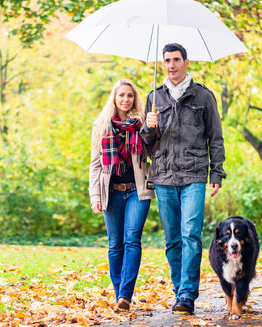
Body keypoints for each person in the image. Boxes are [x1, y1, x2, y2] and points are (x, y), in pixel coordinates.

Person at [140, 43, 226, 315]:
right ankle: (179, 291)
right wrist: (148, 127)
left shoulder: (203, 97)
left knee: (191, 234)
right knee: (173, 239)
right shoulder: (154, 97)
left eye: (176, 59)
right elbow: (147, 145)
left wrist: (217, 172)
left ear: (186, 62)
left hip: (194, 174)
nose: (171, 65)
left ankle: (187, 294)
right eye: (166, 60)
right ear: (163, 63)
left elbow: (216, 137)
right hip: (164, 175)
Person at [89, 78, 155, 312]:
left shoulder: (142, 123)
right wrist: (95, 196)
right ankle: (120, 297)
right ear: (114, 98)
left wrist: (151, 128)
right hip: (111, 193)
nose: (125, 99)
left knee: (132, 240)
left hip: (137, 191)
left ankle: (125, 295)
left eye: (129, 95)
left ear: (134, 98)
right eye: (121, 95)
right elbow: (95, 165)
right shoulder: (102, 126)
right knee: (115, 244)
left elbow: (153, 150)